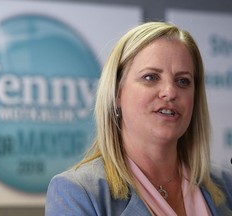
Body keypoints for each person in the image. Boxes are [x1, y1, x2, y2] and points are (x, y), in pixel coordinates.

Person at [45, 22, 232, 216]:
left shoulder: (226, 184)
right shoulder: (78, 192)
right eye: (151, 77)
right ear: (117, 93)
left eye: (183, 81)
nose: (170, 92)